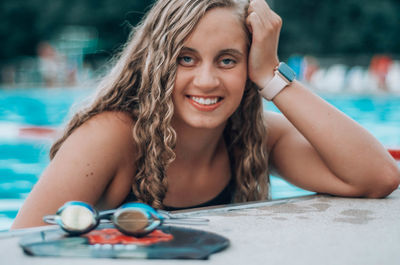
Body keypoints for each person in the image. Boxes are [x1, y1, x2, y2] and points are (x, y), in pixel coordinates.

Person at [12, 0, 399, 229]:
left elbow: (378, 177)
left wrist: (271, 75)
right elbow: (18, 247)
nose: (207, 79)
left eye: (228, 60)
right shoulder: (111, 137)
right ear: (156, 63)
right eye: (186, 59)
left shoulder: (256, 136)